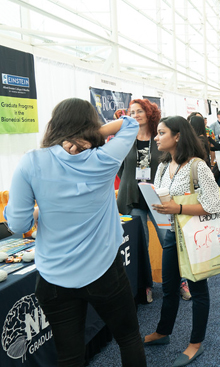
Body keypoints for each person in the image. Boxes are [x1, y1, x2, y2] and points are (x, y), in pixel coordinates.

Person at [4, 98, 147, 366]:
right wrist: (91, 136)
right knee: (128, 338)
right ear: (90, 126)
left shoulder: (32, 162)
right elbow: (130, 124)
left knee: (69, 356)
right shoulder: (103, 159)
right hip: (105, 272)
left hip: (54, 277)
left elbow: (19, 226)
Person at [144, 115, 220, 367]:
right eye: (156, 133)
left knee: (198, 290)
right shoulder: (163, 167)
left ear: (177, 136)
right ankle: (163, 332)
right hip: (171, 234)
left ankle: (195, 343)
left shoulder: (198, 166)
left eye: (161, 132)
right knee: (169, 287)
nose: (156, 137)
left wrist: (177, 208)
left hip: (195, 235)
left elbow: (213, 206)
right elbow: (160, 197)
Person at [116, 98, 164, 304]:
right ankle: (146, 285)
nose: (135, 115)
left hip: (157, 197)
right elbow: (119, 166)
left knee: (168, 240)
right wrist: (128, 183)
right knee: (140, 244)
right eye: (132, 112)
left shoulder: (160, 137)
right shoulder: (125, 138)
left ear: (149, 113)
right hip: (134, 198)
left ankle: (180, 281)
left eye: (139, 111)